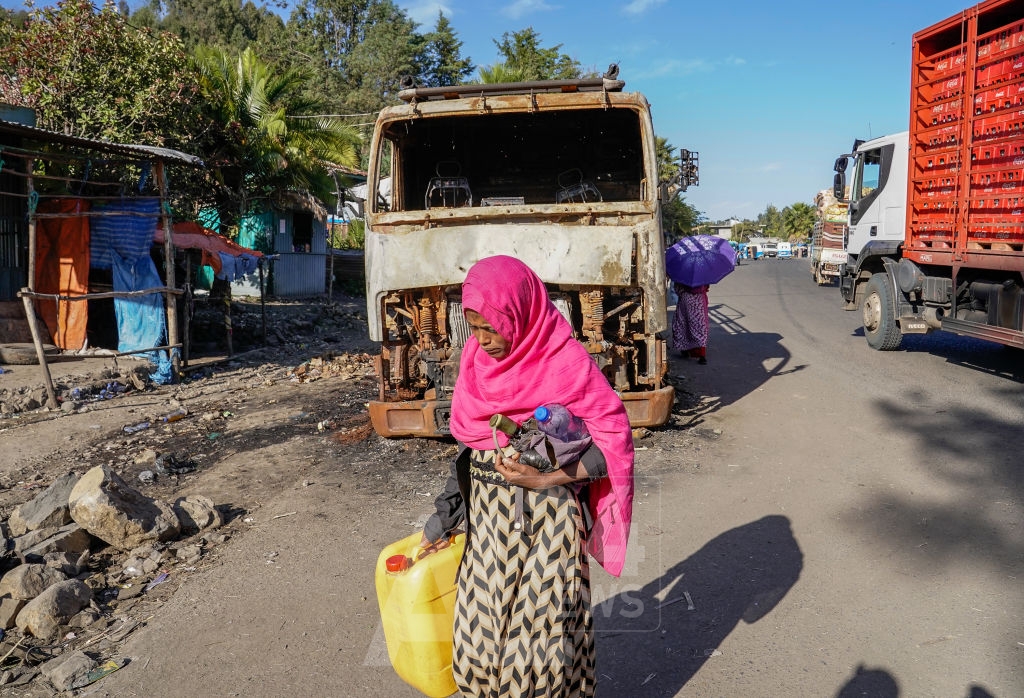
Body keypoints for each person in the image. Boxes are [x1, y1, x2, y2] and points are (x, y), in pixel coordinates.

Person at [422, 255, 635, 698]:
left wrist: (544, 479)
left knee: (540, 653)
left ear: (520, 311)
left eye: (491, 327)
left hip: (550, 525)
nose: (483, 341)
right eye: (474, 327)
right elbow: (468, 450)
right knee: (476, 645)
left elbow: (611, 446)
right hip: (488, 529)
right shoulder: (474, 362)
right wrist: (441, 521)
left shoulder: (565, 362)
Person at [672, 281, 710, 364]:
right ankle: (701, 355)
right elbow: (706, 287)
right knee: (700, 326)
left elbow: (677, 290)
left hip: (685, 301)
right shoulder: (703, 273)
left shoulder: (681, 274)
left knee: (683, 324)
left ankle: (685, 350)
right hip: (699, 301)